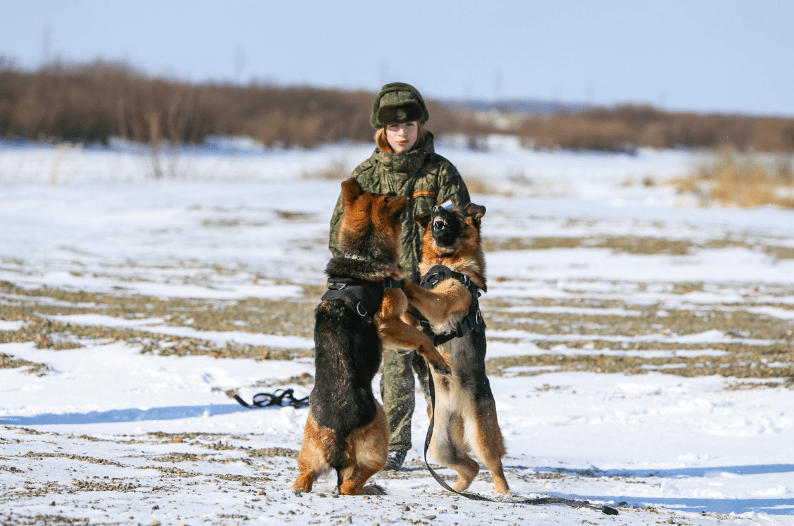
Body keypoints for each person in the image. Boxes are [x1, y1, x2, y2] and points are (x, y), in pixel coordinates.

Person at [328, 82, 471, 470]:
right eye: (395, 127)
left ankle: (449, 444)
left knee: (442, 370)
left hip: (433, 293)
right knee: (395, 371)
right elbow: (339, 236)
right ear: (382, 131)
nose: (403, 133)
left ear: (421, 126)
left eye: (410, 124)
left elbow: (463, 231)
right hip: (388, 294)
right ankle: (394, 445)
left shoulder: (441, 172)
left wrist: (451, 284)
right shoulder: (367, 175)